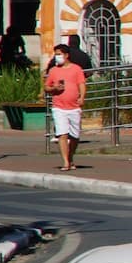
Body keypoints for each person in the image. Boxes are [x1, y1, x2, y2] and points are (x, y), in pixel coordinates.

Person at [43, 43, 86, 172]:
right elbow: (46, 86)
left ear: (66, 55)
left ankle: (70, 156)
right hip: (59, 107)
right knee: (62, 134)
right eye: (56, 54)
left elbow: (81, 84)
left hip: (74, 107)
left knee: (74, 136)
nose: (57, 57)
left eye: (59, 54)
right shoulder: (53, 70)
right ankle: (66, 162)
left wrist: (82, 97)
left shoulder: (76, 69)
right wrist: (54, 88)